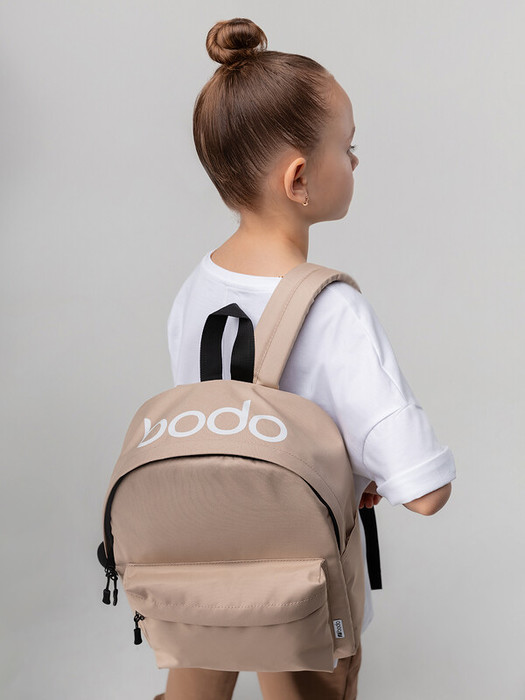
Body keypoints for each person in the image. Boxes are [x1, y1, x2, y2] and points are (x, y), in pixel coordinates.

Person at [156, 16, 456, 700]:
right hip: (299, 583)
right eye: (347, 148)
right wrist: (361, 469)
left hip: (200, 563)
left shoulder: (195, 289)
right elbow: (425, 492)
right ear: (298, 179)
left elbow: (220, 428)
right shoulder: (332, 308)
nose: (354, 162)